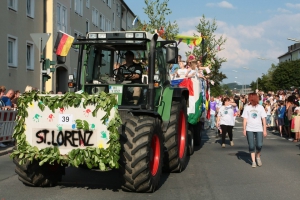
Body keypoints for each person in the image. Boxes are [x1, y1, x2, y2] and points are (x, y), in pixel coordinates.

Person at [242, 93, 267, 168]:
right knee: (251, 145)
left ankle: (258, 156)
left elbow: (263, 119)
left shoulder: (260, 107)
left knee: (259, 145)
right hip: (249, 128)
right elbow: (245, 119)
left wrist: (264, 129)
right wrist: (244, 129)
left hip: (259, 128)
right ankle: (253, 161)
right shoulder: (247, 107)